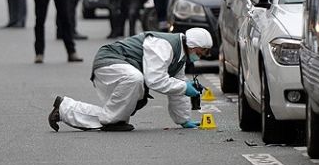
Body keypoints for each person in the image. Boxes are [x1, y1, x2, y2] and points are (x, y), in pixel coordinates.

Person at [47, 28, 213, 132]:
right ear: (192, 45)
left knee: (115, 118)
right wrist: (184, 87)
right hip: (109, 61)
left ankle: (65, 109)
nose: (200, 56)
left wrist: (183, 120)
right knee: (133, 81)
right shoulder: (164, 45)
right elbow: (155, 80)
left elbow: (176, 90)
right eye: (200, 52)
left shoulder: (180, 59)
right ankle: (102, 119)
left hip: (123, 69)